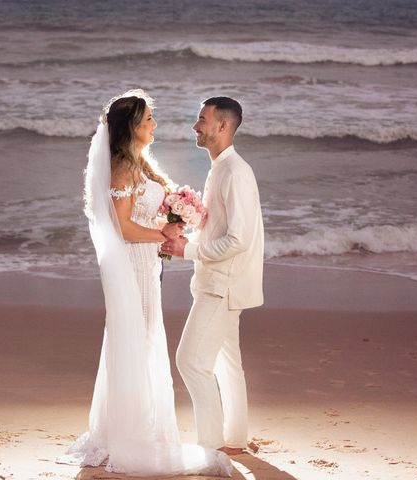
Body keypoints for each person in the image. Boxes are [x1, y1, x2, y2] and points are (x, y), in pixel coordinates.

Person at [57, 90, 232, 477]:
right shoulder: (122, 168)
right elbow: (121, 227)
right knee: (140, 341)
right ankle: (131, 434)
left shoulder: (139, 163)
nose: (155, 124)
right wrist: (164, 235)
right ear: (133, 127)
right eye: (149, 118)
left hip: (147, 264)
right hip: (134, 266)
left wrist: (175, 214)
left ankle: (136, 427)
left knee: (144, 339)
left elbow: (142, 215)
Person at [161, 97, 264, 455]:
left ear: (223, 126)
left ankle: (211, 446)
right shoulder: (220, 167)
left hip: (223, 286)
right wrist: (187, 232)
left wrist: (186, 251)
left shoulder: (234, 171)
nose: (195, 126)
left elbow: (238, 239)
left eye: (201, 119)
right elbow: (220, 229)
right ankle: (235, 440)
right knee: (226, 363)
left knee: (190, 361)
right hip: (216, 281)